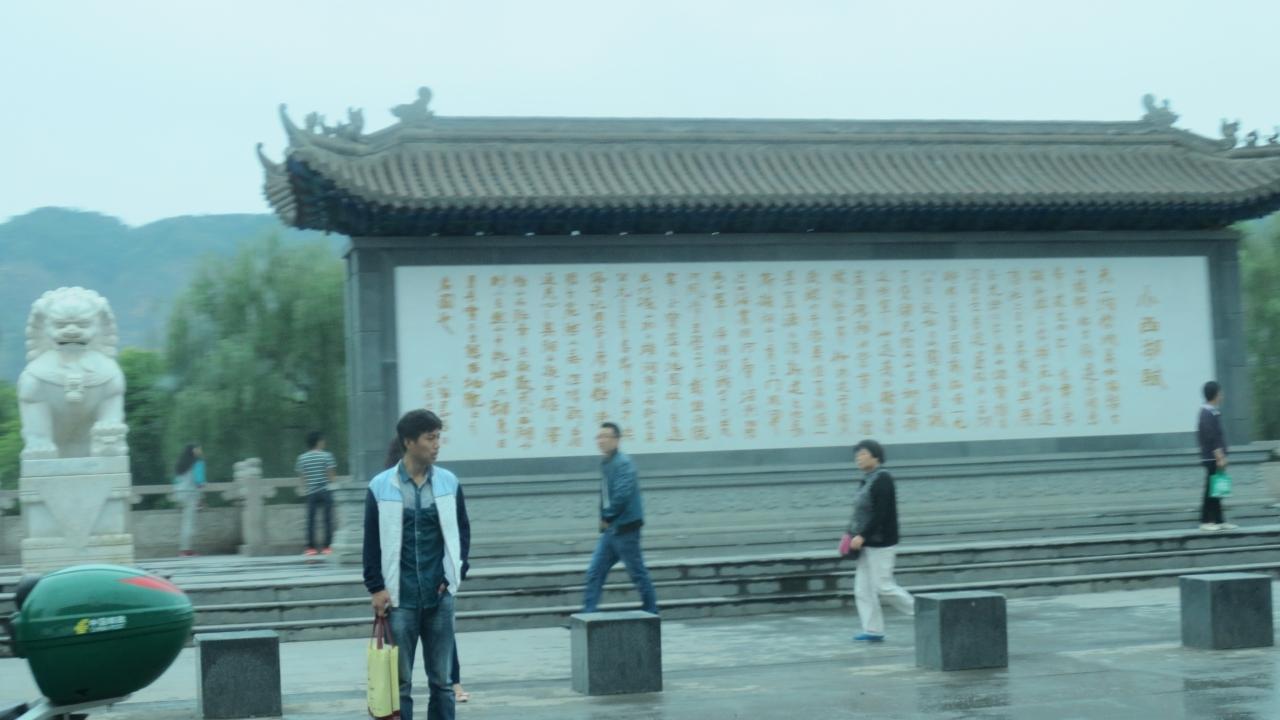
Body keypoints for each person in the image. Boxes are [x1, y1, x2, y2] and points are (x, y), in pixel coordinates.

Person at [363, 410, 470, 720]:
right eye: (430, 438)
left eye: (438, 437)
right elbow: (371, 542)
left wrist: (456, 573)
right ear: (409, 442)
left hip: (439, 596)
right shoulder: (381, 486)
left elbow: (462, 531)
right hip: (400, 599)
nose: (437, 445)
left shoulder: (448, 482)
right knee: (400, 684)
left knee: (443, 682)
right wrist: (376, 587)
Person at [580, 422, 658, 615]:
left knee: (637, 572)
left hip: (625, 529)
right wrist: (605, 520)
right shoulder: (607, 463)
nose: (601, 441)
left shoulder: (623, 463)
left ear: (616, 440)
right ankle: (588, 613)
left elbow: (621, 495)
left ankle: (651, 611)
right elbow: (606, 495)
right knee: (595, 571)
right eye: (599, 437)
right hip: (612, 530)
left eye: (605, 436)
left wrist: (607, 516)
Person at [840, 439, 914, 642]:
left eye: (863, 454)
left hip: (881, 542)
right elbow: (860, 512)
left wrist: (862, 535)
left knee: (884, 586)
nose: (858, 458)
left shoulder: (883, 479)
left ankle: (925, 612)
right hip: (865, 543)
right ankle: (873, 630)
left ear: (876, 456)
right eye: (857, 455)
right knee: (862, 589)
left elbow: (881, 513)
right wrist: (850, 533)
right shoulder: (867, 479)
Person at [1198, 381, 1236, 531]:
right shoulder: (1206, 413)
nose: (1222, 395)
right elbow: (1211, 437)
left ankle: (1219, 521)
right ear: (1214, 395)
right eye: (1220, 393)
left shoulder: (1213, 411)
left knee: (1217, 489)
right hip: (1212, 457)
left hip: (1216, 456)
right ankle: (1205, 521)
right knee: (1210, 490)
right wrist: (1220, 456)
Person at [296, 431, 338, 556]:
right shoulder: (327, 456)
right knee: (327, 520)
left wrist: (305, 488)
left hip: (311, 493)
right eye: (322, 440)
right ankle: (327, 547)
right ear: (318, 442)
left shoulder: (302, 458)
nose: (324, 442)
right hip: (326, 491)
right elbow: (331, 476)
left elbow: (302, 477)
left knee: (311, 521)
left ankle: (311, 548)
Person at [173, 443, 206, 557]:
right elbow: (199, 481)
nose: (200, 451)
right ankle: (185, 549)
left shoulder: (180, 463)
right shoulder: (198, 462)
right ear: (194, 450)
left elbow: (176, 481)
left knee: (185, 522)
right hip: (191, 494)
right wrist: (201, 497)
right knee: (189, 522)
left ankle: (185, 548)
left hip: (180, 494)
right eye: (198, 449)